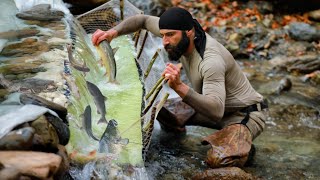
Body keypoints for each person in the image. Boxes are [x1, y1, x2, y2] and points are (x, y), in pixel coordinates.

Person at [92, 7, 268, 169]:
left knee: (218, 160)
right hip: (214, 104)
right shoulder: (179, 33)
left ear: (189, 32)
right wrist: (112, 33)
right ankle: (177, 134)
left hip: (245, 115)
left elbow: (216, 111)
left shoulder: (210, 61)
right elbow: (142, 20)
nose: (165, 42)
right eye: (162, 35)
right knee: (157, 108)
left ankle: (245, 150)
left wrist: (179, 87)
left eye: (170, 35)